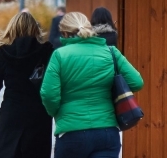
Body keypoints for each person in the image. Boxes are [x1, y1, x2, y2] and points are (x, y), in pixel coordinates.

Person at [40, 12, 144, 158]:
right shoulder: (111, 52)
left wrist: (57, 112)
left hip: (71, 133)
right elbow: (137, 82)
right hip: (107, 132)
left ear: (64, 32)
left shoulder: (59, 55)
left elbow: (49, 94)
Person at [0, 12, 54, 158]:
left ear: (12, 29)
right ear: (35, 29)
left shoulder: (3, 53)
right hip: (39, 116)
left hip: (11, 115)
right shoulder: (47, 52)